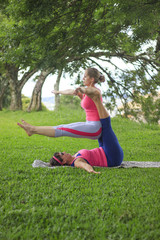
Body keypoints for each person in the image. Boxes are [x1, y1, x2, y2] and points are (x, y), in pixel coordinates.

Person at [49, 87, 124, 174]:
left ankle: (95, 99)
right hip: (111, 157)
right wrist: (91, 171)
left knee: (101, 127)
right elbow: (84, 165)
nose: (64, 152)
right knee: (106, 125)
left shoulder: (74, 157)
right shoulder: (77, 162)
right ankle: (96, 99)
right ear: (64, 162)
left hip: (104, 150)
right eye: (62, 154)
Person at [18, 68, 105, 140]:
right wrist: (58, 92)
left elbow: (88, 90)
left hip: (95, 128)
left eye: (85, 77)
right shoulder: (86, 94)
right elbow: (71, 91)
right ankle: (32, 130)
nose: (83, 78)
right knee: (62, 127)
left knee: (62, 130)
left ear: (92, 79)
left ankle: (32, 130)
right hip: (89, 124)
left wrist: (82, 89)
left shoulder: (95, 91)